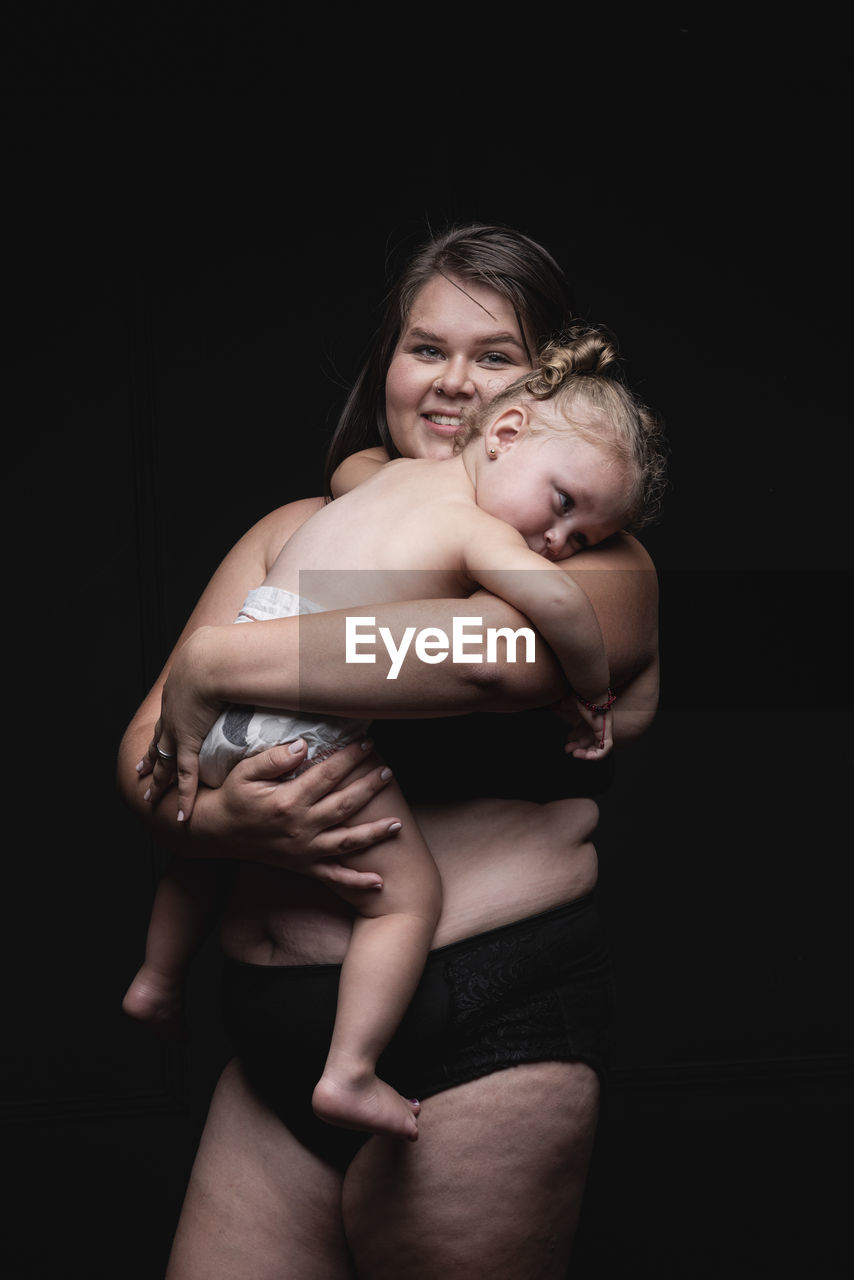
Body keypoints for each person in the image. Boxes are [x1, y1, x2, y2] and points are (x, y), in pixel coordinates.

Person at [116, 223, 664, 1278]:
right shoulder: (300, 525)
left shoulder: (588, 549)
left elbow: (474, 660)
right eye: (425, 347)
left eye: (493, 354)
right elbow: (146, 751)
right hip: (274, 1047)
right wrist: (222, 818)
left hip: (480, 1031)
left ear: (534, 392)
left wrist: (227, 662)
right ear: (389, 365)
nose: (453, 381)